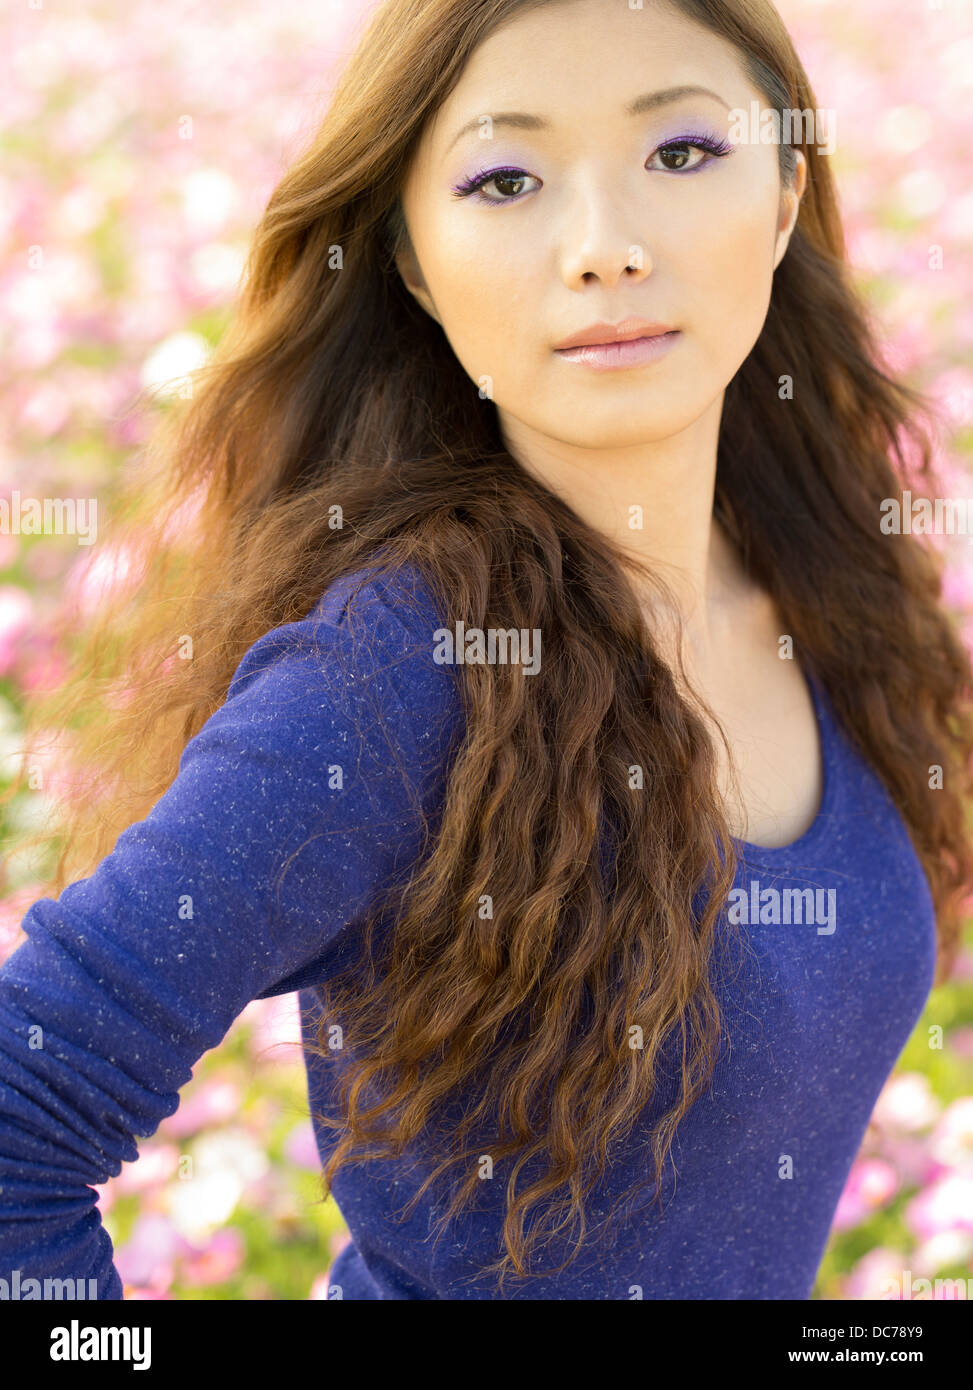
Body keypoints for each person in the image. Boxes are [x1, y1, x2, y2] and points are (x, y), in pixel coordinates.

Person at [1, 0, 971, 1301]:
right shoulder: (399, 672)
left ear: (785, 197)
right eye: (505, 178)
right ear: (409, 262)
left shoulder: (820, 578)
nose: (605, 248)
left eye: (679, 154)